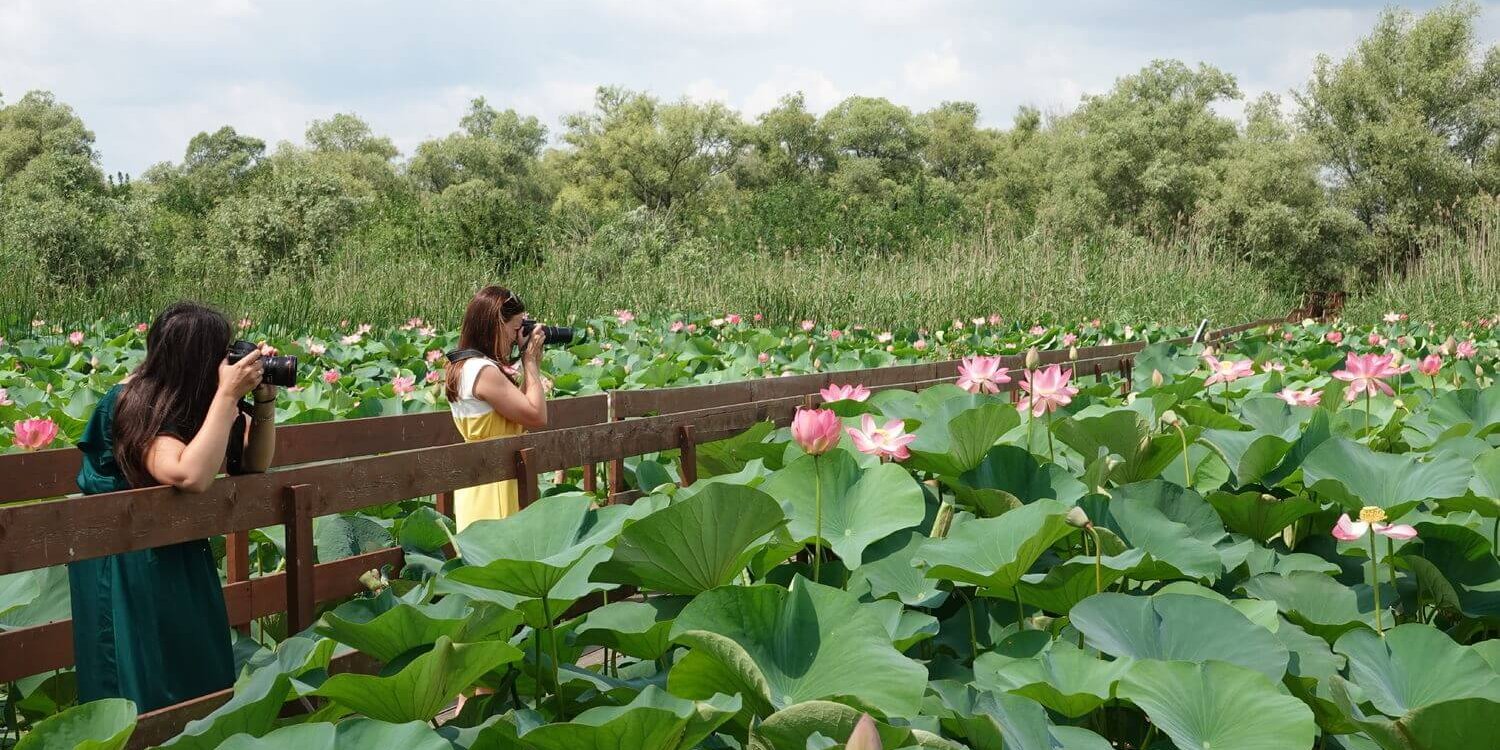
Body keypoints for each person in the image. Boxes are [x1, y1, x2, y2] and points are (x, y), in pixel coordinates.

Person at [67, 301, 278, 712]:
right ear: (195, 359)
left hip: (181, 551)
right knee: (145, 686)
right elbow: (188, 474)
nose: (228, 360)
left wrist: (264, 401)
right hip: (128, 562)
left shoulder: (196, 404)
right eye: (221, 351)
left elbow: (254, 465)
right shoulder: (130, 403)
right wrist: (227, 394)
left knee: (200, 672)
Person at [444, 286, 549, 531]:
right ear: (495, 325)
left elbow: (521, 411)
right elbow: (536, 415)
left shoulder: (464, 366)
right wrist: (530, 362)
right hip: (496, 481)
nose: (517, 338)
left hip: (482, 476)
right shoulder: (482, 371)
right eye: (515, 328)